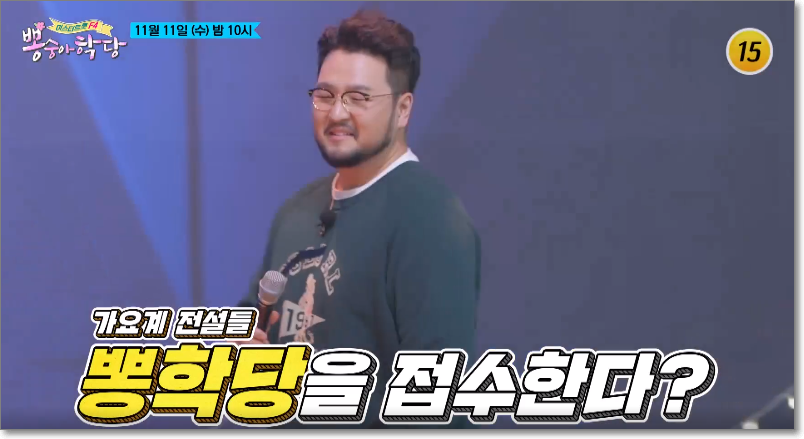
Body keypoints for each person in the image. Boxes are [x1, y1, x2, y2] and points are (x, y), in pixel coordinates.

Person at [236, 9, 481, 429]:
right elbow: (248, 324)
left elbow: (437, 403)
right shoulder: (295, 212)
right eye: (325, 95)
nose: (336, 113)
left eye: (358, 98)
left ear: (403, 109)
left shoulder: (430, 220)